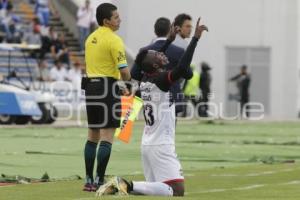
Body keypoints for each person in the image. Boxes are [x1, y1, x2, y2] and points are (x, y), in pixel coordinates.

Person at [96, 18, 208, 197]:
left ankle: (126, 186)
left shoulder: (146, 82)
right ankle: (125, 184)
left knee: (156, 190)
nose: (162, 54)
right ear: (156, 65)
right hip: (161, 145)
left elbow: (145, 65)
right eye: (159, 55)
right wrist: (195, 38)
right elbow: (182, 66)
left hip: (148, 143)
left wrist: (168, 42)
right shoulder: (161, 81)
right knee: (177, 191)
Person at [81, 3, 131, 192]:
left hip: (90, 87)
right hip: (107, 88)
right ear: (106, 21)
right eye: (116, 17)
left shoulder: (89, 38)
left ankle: (88, 180)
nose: (120, 20)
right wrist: (129, 85)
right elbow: (124, 72)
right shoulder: (114, 40)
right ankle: (99, 180)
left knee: (92, 135)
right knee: (107, 136)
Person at [130, 17, 192, 116]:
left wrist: (148, 79)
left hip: (150, 95)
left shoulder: (145, 51)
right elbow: (188, 73)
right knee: (169, 127)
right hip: (173, 93)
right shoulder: (179, 51)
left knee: (151, 124)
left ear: (155, 30)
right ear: (169, 30)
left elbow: (134, 73)